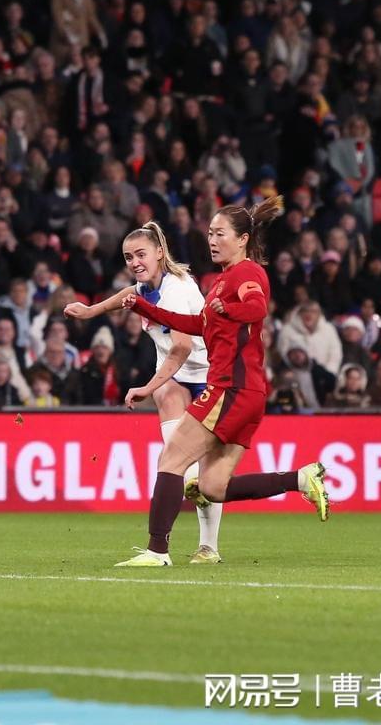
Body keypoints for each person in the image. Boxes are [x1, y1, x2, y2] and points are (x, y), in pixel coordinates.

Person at [115, 199, 330, 567]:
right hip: (248, 392)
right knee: (213, 487)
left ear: (242, 239)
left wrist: (229, 310)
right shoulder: (221, 281)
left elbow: (257, 307)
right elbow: (197, 325)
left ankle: (157, 551)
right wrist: (142, 307)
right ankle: (300, 479)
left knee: (172, 458)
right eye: (210, 234)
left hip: (231, 388)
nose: (212, 240)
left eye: (220, 234)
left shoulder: (247, 274)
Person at [65, 221, 224, 563]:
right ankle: (187, 476)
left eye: (141, 254)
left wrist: (147, 387)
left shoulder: (176, 290)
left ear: (160, 253)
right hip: (176, 375)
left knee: (207, 465)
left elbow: (181, 348)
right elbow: (129, 295)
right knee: (169, 405)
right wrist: (91, 311)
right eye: (128, 257)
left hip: (210, 374)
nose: (135, 262)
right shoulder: (147, 285)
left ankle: (208, 546)